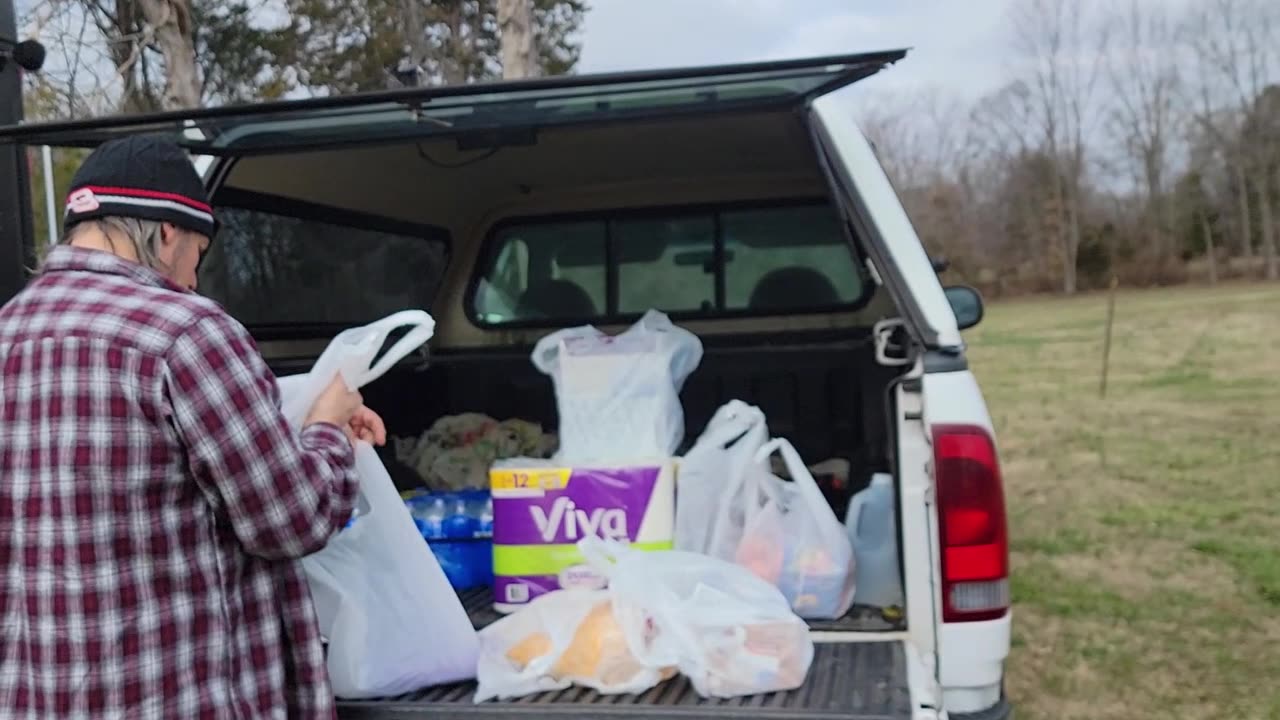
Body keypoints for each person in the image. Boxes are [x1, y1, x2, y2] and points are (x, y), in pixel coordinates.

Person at [0, 135, 383, 719]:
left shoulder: (8, 330)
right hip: (175, 696)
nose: (195, 280)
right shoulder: (186, 332)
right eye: (198, 255)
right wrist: (327, 428)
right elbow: (289, 520)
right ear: (169, 232)